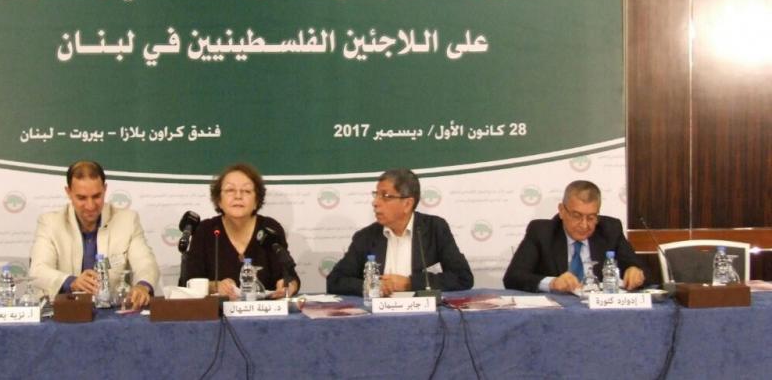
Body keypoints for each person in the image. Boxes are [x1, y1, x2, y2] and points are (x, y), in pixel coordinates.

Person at [29, 160, 160, 309]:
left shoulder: (128, 220)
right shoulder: (50, 223)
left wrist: (143, 286)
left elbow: (146, 263)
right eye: (82, 198)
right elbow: (38, 270)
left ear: (105, 189)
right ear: (68, 192)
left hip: (114, 312)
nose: (90, 206)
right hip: (66, 312)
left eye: (97, 196)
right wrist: (71, 282)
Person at [327, 169, 473, 295]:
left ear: (407, 204)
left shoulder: (434, 228)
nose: (375, 202)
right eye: (376, 195)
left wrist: (410, 283)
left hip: (423, 314)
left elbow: (462, 277)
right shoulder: (365, 237)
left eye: (385, 196)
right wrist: (372, 286)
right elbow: (335, 281)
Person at [503, 180, 646, 293]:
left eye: (591, 217)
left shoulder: (610, 230)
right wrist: (552, 283)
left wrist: (635, 271)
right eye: (577, 216)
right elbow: (513, 277)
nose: (584, 225)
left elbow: (645, 272)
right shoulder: (542, 232)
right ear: (561, 211)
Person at [182, 163, 300, 299]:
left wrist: (288, 286)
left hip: (263, 310)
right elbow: (190, 281)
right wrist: (215, 286)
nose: (238, 196)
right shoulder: (205, 231)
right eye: (230, 190)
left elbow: (289, 276)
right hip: (218, 311)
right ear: (219, 200)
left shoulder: (270, 228)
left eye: (246, 191)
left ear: (256, 201)